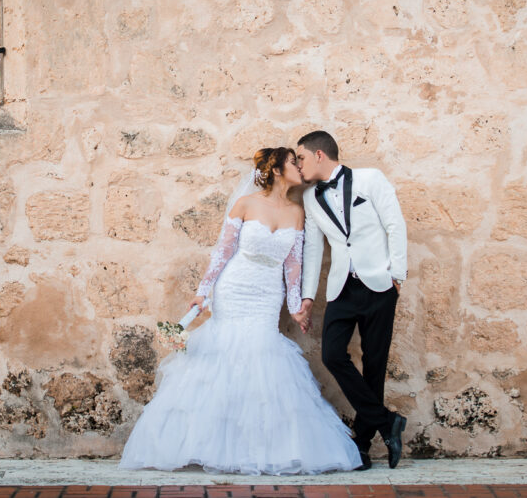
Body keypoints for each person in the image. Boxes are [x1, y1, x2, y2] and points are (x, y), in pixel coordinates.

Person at [119, 147, 362, 475]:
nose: (299, 167)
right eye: (293, 162)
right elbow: (223, 251)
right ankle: (205, 444)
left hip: (267, 294)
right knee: (227, 353)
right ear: (277, 169)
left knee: (262, 355)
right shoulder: (245, 204)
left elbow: (294, 264)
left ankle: (258, 448)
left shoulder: (296, 212)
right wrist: (202, 292)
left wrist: (295, 307)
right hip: (235, 287)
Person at [293, 130, 408, 471]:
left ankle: (362, 445)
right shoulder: (311, 198)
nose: (297, 164)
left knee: (374, 366)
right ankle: (388, 424)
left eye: (300, 157)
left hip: (378, 285)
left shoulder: (370, 179)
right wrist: (308, 297)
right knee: (332, 354)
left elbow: (395, 224)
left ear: (318, 155)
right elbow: (314, 249)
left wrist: (396, 274)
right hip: (342, 289)